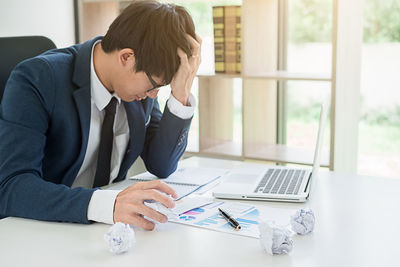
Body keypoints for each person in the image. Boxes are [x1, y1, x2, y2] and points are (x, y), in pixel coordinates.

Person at [0, 0, 202, 230]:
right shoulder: (37, 79)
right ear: (126, 57)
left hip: (103, 230)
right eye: (154, 84)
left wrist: (181, 94)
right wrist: (107, 204)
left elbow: (161, 164)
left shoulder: (138, 91)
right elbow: (12, 186)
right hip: (43, 229)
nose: (153, 95)